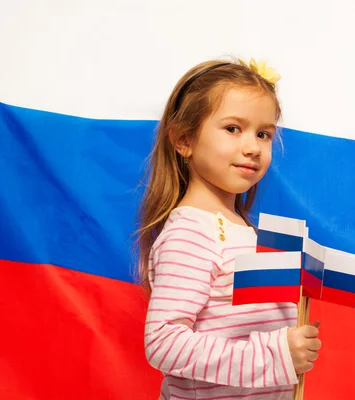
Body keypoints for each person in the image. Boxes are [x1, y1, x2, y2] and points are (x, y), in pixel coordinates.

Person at [135, 58, 322, 400]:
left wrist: (292, 337)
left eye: (263, 133)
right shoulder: (191, 232)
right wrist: (275, 354)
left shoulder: (246, 232)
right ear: (183, 140)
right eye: (233, 128)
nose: (252, 147)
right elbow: (163, 343)